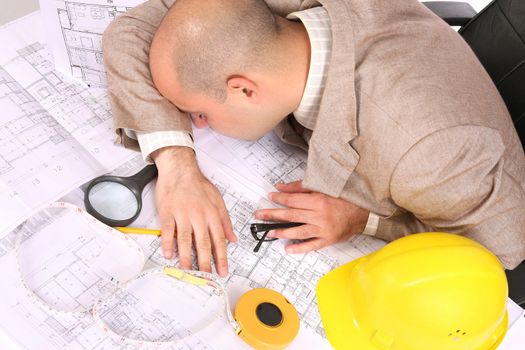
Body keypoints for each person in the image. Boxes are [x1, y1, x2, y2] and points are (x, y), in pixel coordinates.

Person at [103, 0, 525, 274]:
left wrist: (367, 220)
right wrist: (177, 165)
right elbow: (133, 32)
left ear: (246, 89)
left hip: (448, 154)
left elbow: (501, 250)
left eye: (202, 112)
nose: (197, 124)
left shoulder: (429, 155)